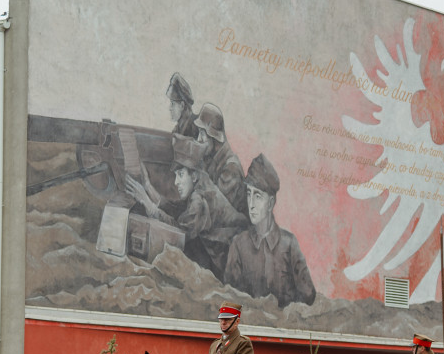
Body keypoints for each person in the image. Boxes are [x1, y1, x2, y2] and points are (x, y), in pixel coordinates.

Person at [125, 134, 248, 278]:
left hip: (230, 260)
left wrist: (148, 204)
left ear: (194, 176)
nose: (176, 182)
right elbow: (176, 208)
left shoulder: (199, 199)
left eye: (181, 174)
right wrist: (148, 186)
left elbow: (179, 232)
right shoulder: (201, 183)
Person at [223, 153, 316, 306]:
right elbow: (230, 300)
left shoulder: (289, 244)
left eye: (257, 196)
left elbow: (308, 296)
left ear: (271, 203)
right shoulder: (238, 244)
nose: (251, 204)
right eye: (249, 194)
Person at [194, 102, 248, 217]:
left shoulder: (231, 168)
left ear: (213, 136)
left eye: (202, 133)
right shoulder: (211, 159)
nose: (198, 139)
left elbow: (218, 212)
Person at [166, 72, 197, 139]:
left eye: (173, 103)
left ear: (182, 105)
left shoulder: (194, 127)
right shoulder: (178, 129)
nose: (170, 108)